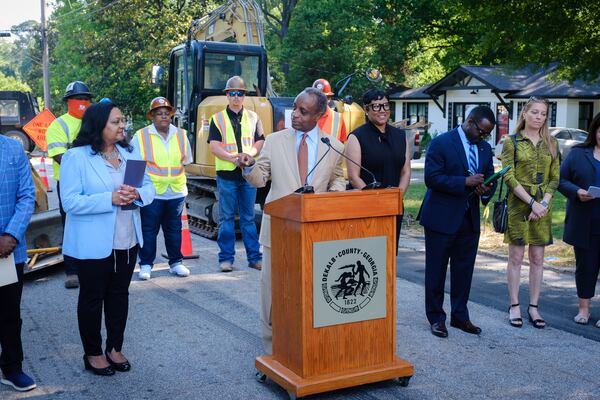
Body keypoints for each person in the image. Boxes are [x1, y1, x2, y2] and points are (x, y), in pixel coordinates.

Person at [237, 87, 346, 354]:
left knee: (312, 293)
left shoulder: (333, 146)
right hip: (278, 232)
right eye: (295, 108)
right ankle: (273, 349)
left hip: (315, 235)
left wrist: (329, 201)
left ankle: (310, 344)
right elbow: (261, 178)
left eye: (303, 111)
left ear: (319, 115)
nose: (295, 114)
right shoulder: (274, 141)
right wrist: (249, 166)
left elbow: (338, 179)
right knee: (273, 293)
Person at [60, 101, 155, 376]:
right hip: (94, 242)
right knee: (92, 298)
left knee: (119, 296)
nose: (122, 125)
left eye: (122, 121)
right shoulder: (76, 157)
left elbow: (147, 186)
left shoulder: (130, 153)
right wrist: (109, 199)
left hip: (127, 240)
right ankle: (92, 352)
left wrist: (137, 195)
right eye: (115, 121)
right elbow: (70, 202)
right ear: (98, 125)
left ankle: (115, 347)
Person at [420, 106, 496, 338]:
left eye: (487, 134)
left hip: (468, 218)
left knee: (464, 271)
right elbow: (431, 178)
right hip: (441, 217)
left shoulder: (484, 148)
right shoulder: (442, 142)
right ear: (470, 122)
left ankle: (460, 316)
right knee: (437, 270)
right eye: (481, 131)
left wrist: (485, 190)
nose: (484, 137)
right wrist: (464, 181)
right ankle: (436, 318)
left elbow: (489, 176)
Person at [501, 97, 559, 329]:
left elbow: (555, 178)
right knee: (516, 258)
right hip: (518, 205)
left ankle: (534, 307)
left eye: (543, 113)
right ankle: (514, 304)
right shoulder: (511, 141)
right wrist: (531, 203)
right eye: (534, 112)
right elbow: (508, 175)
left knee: (537, 259)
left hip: (543, 208)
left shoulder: (552, 143)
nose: (539, 117)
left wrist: (542, 203)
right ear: (524, 113)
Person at [131, 97, 193, 280]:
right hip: (152, 193)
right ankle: (146, 264)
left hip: (175, 192)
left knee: (174, 230)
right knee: (149, 230)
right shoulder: (141, 136)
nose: (163, 117)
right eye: (159, 114)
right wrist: (133, 192)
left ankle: (176, 263)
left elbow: (186, 161)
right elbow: (134, 166)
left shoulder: (181, 135)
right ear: (152, 117)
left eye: (166, 114)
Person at [208, 76, 264, 272]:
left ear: (244, 95)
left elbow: (259, 141)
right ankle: (226, 260)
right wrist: (233, 158)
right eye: (232, 93)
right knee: (226, 219)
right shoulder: (217, 119)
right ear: (227, 95)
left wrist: (250, 155)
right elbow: (214, 146)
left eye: (240, 93)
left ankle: (254, 258)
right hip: (227, 176)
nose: (236, 97)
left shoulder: (254, 117)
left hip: (247, 175)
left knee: (248, 219)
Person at [345, 89, 411, 251]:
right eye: (376, 107)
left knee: (389, 253)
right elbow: (354, 177)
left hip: (393, 206)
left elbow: (406, 171)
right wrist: (375, 201)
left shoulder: (400, 136)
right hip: (366, 207)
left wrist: (397, 197)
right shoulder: (356, 137)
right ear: (366, 110)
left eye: (385, 105)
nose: (382, 110)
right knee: (368, 254)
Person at [46, 80, 93, 289]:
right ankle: (72, 271)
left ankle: (91, 265)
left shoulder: (94, 123)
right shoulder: (59, 125)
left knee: (92, 224)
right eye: (78, 99)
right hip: (69, 184)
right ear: (69, 102)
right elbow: (59, 156)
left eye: (85, 99)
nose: (82, 102)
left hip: (93, 183)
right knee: (71, 225)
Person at [0, 135, 36, 392]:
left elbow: (26, 195)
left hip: (8, 250)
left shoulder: (13, 148)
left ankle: (12, 367)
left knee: (9, 313)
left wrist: (11, 235)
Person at [558, 112, 600, 328]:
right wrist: (577, 192)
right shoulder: (577, 154)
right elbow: (561, 180)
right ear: (595, 131)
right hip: (586, 223)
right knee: (586, 268)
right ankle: (583, 309)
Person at [312, 78, 348, 143]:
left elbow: (341, 146)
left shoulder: (338, 118)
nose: (318, 101)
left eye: (322, 98)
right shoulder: (305, 116)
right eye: (316, 97)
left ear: (329, 99)